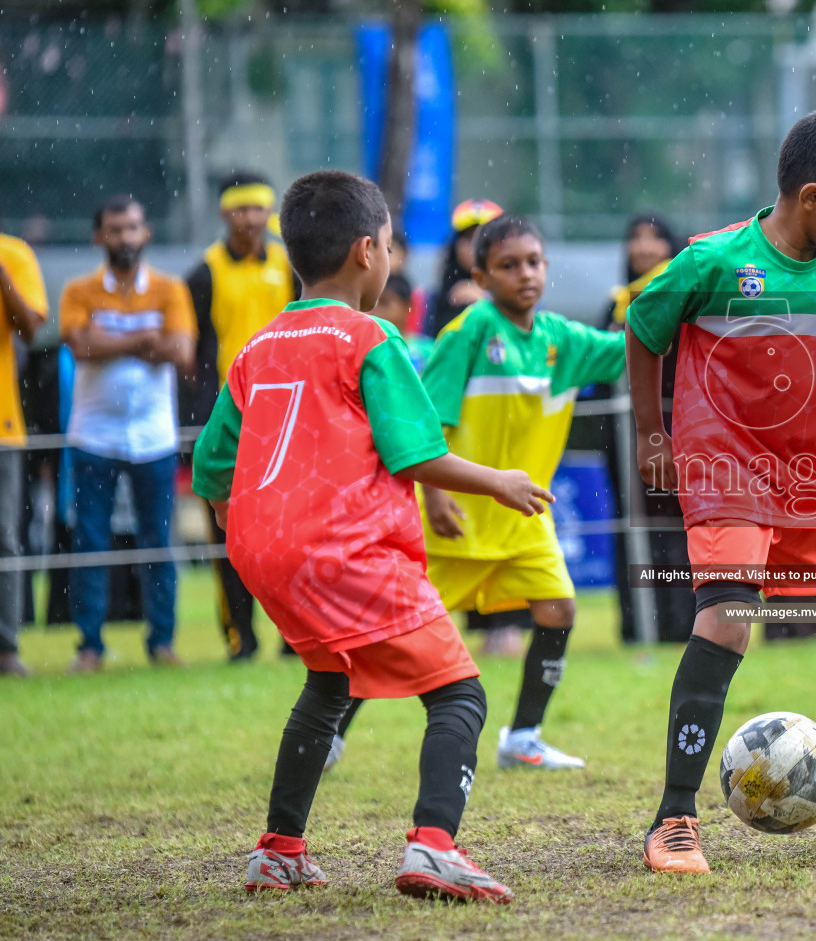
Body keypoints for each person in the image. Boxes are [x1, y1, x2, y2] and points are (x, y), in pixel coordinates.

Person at [192, 170, 551, 901]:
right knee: (460, 692)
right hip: (343, 547)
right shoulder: (370, 336)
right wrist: (499, 482)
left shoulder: (258, 346)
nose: (389, 257)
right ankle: (434, 847)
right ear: (367, 251)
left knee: (327, 684)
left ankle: (280, 849)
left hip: (263, 552)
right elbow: (414, 452)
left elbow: (210, 464)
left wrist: (251, 529)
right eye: (388, 245)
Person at [625, 106, 816, 874]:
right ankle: (673, 819)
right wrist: (652, 434)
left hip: (813, 476)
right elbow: (644, 328)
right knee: (728, 623)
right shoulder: (712, 259)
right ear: (813, 196)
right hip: (726, 471)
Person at [414, 213, 625, 771]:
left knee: (559, 609)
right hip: (456, 517)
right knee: (398, 630)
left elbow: (630, 347)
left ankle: (523, 737)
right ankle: (333, 733)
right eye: (508, 266)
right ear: (481, 278)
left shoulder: (563, 339)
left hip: (527, 519)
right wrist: (434, 496)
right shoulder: (467, 333)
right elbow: (425, 424)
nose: (524, 275)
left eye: (533, 263)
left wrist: (662, 304)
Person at [60, 197, 195, 671]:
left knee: (157, 542)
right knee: (89, 544)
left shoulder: (169, 288)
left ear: (147, 233)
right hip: (93, 435)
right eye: (115, 229)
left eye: (132, 228)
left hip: (154, 437)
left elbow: (181, 350)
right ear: (99, 237)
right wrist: (142, 340)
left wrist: (110, 341)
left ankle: (162, 641)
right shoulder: (78, 290)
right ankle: (90, 645)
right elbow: (80, 346)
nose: (124, 238)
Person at [185, 171, 295, 660]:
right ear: (225, 213)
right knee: (230, 533)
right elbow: (193, 357)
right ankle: (240, 637)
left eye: (259, 207)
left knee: (291, 531)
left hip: (286, 418)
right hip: (231, 418)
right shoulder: (204, 273)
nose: (251, 218)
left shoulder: (291, 266)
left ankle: (297, 636)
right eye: (241, 208)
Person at [600, 213, 696, 644]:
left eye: (654, 238)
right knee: (635, 525)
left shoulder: (680, 297)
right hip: (626, 437)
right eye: (635, 237)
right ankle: (641, 622)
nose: (643, 247)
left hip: (678, 430)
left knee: (682, 525)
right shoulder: (617, 303)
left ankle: (685, 622)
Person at [0, 232, 47, 676]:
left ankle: (5, 649)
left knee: (4, 540)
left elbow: (31, 330)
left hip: (3, 425)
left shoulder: (13, 254)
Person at [427, 199, 502, 337]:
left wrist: (489, 300)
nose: (475, 247)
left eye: (483, 238)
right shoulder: (432, 300)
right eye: (468, 238)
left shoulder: (522, 294)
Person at [373, 274, 434, 371]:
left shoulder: (428, 351)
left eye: (384, 303)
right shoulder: (369, 349)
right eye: (373, 304)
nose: (376, 311)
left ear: (408, 306)